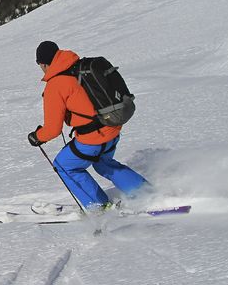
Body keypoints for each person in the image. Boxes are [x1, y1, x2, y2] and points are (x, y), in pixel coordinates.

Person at [27, 41, 147, 209]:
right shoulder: (79, 68)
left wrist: (36, 137)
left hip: (92, 139)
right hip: (112, 127)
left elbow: (53, 130)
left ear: (43, 63)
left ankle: (99, 207)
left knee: (64, 165)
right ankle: (146, 194)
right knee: (103, 163)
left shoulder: (55, 85)